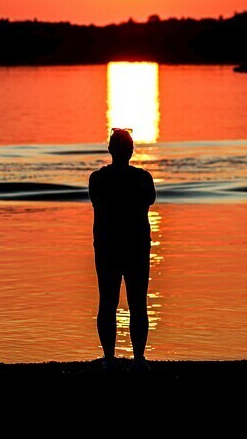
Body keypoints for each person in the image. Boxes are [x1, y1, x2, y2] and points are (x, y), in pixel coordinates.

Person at [88, 127, 156, 372]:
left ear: (110, 150)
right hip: (136, 246)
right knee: (138, 303)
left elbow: (97, 201)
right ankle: (138, 359)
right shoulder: (143, 178)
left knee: (107, 302)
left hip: (107, 247)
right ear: (131, 151)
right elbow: (149, 200)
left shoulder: (97, 179)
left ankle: (109, 358)